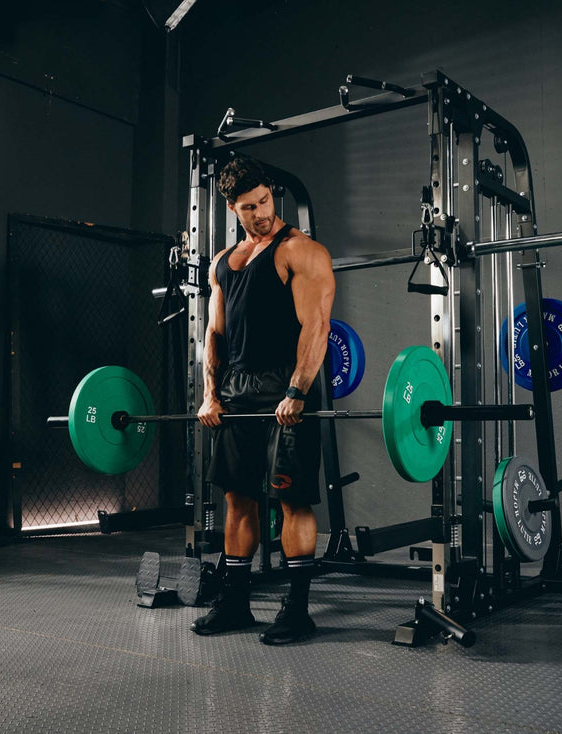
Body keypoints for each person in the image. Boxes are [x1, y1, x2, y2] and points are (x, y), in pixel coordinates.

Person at [193, 155, 335, 645]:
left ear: (272, 194)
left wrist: (298, 389)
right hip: (235, 391)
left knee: (290, 499)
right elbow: (214, 333)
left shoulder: (301, 251)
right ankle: (235, 603)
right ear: (231, 208)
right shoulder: (222, 263)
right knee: (237, 498)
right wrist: (211, 393)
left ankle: (297, 610)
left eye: (264, 202)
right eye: (248, 207)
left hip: (283, 390)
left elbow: (317, 326)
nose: (260, 214)